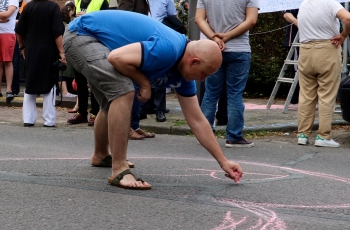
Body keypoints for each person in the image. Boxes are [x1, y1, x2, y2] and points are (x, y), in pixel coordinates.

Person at [64, 10, 243, 190]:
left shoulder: (183, 74)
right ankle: (119, 169)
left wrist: (223, 161)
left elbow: (197, 121)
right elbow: (116, 58)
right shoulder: (168, 49)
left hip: (97, 40)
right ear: (194, 61)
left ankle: (101, 155)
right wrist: (144, 83)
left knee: (112, 102)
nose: (202, 79)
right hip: (82, 35)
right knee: (124, 92)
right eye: (204, 73)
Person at [195, 0, 259, 148]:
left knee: (211, 93)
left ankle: (205, 134)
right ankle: (233, 136)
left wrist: (214, 37)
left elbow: (199, 19)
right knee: (235, 94)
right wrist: (228, 36)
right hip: (239, 49)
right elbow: (251, 20)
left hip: (213, 50)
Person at [296, 0, 350, 147]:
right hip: (327, 50)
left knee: (306, 95)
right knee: (326, 95)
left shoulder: (304, 4)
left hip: (305, 51)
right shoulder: (331, 4)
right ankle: (323, 136)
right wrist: (343, 35)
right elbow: (349, 18)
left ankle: (302, 134)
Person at [15, 0, 66, 127]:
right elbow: (57, 33)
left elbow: (19, 31)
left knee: (30, 82)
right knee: (49, 83)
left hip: (31, 49)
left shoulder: (28, 7)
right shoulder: (53, 7)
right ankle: (49, 120)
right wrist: (61, 52)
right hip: (48, 50)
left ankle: (28, 119)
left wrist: (22, 47)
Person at [184, 0, 228, 126]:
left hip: (209, 45)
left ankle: (205, 121)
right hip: (231, 43)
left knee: (209, 86)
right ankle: (224, 118)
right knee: (229, 86)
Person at [118, 0, 155, 139]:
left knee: (138, 84)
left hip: (140, 45)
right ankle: (128, 128)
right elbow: (125, 19)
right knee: (132, 86)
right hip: (132, 46)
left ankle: (135, 124)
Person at [67, 0, 109, 126]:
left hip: (93, 44)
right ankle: (82, 112)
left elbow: (105, 23)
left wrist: (86, 19)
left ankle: (96, 112)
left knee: (94, 80)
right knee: (80, 80)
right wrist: (73, 16)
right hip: (78, 44)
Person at [143, 0, 178, 123]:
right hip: (142, 39)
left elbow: (174, 20)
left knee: (160, 74)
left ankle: (160, 109)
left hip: (160, 41)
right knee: (144, 73)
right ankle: (146, 106)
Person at [11, 0, 30, 97]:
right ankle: (14, 88)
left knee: (28, 61)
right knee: (15, 63)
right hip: (13, 34)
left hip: (25, 34)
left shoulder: (28, 3)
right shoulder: (11, 2)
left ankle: (30, 87)